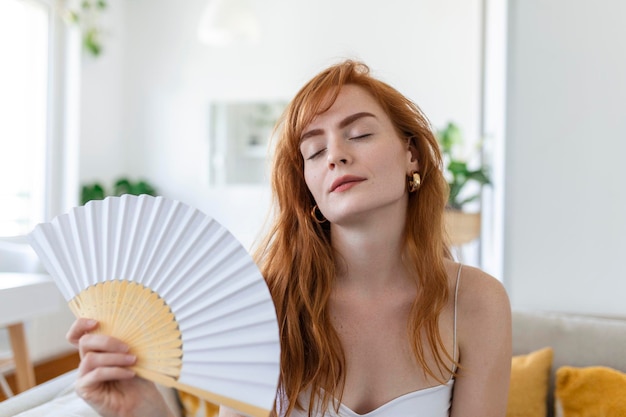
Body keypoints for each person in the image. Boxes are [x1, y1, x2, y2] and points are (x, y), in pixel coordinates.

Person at [67, 59, 512, 417]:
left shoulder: (475, 303)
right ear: (309, 189)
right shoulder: (262, 303)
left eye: (359, 133)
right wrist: (143, 412)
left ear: (411, 155)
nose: (336, 154)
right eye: (314, 151)